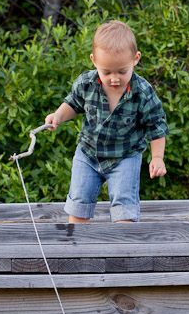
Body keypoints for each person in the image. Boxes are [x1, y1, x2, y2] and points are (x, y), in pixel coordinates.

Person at [45, 20, 168, 223]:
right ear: (94, 61)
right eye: (107, 72)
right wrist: (58, 116)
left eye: (122, 71)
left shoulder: (142, 92)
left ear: (135, 59)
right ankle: (76, 245)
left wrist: (157, 157)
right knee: (79, 199)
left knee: (124, 204)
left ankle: (123, 247)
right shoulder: (86, 83)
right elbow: (73, 104)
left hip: (125, 157)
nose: (114, 78)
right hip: (88, 154)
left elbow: (156, 126)